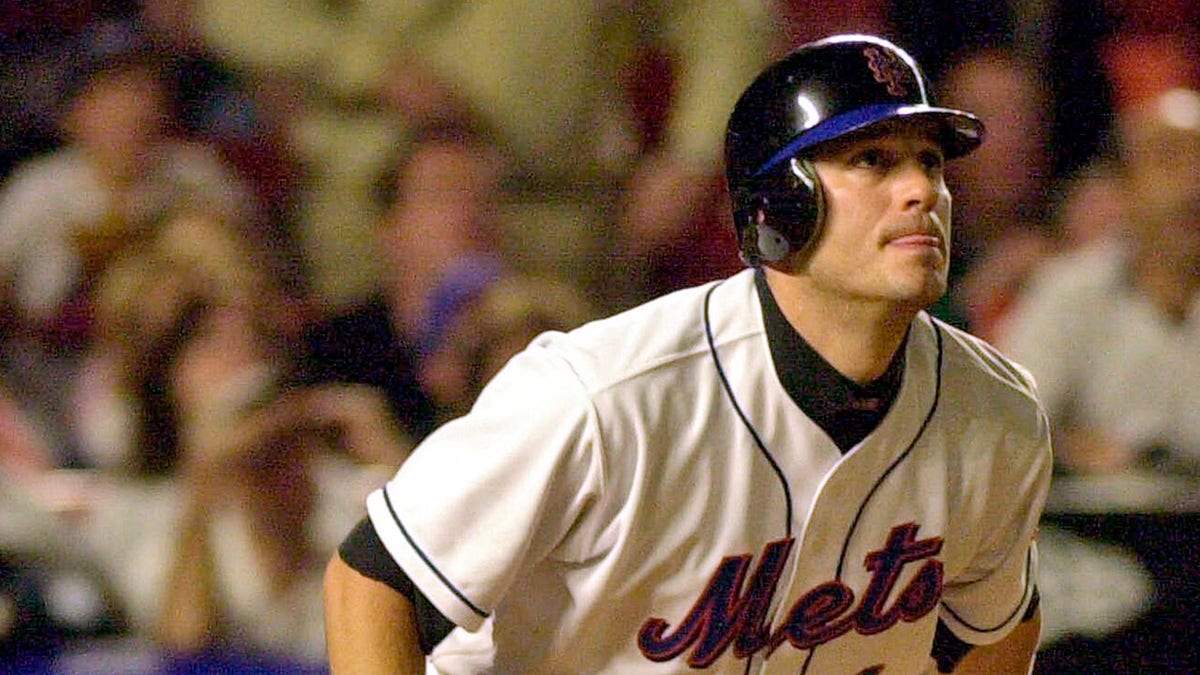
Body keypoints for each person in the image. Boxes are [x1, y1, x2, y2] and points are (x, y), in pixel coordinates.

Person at [324, 35, 1052, 674]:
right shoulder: (606, 394)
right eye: (873, 160)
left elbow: (995, 627)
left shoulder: (998, 413)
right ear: (779, 206)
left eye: (931, 162)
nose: (922, 189)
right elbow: (372, 580)